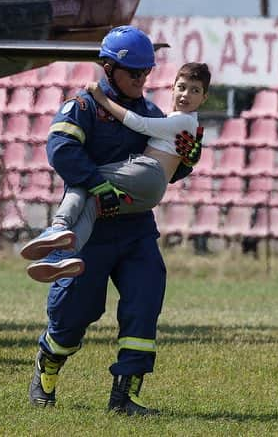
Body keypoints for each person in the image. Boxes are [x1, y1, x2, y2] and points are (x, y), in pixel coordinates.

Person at [27, 25, 202, 416]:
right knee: (73, 316)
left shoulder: (154, 114)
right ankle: (48, 365)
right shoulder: (83, 107)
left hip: (136, 231)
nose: (142, 80)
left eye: (146, 73)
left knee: (144, 301)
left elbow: (164, 173)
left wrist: (187, 160)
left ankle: (125, 396)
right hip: (91, 234)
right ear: (108, 69)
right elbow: (61, 150)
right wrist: (96, 186)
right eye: (134, 73)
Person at [20, 62, 210, 282]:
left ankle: (59, 226)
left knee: (85, 178)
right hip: (150, 193)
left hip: (148, 173)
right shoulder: (174, 120)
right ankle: (64, 255)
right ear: (173, 87)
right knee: (94, 203)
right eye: (182, 87)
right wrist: (187, 163)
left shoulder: (181, 120)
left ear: (204, 98)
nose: (186, 95)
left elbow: (138, 123)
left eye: (195, 90)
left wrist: (101, 98)